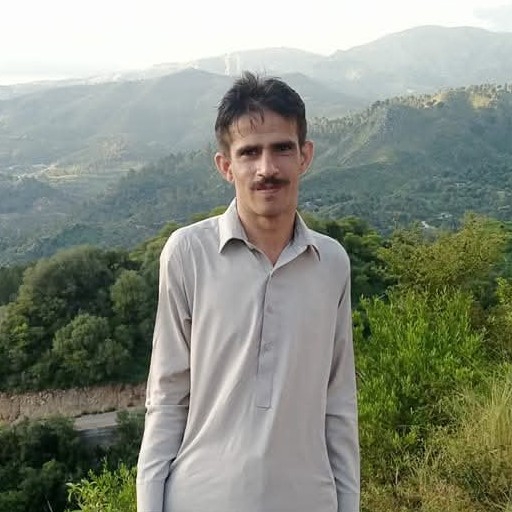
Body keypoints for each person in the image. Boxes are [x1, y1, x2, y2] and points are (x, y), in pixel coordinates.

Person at [136, 71, 360, 512]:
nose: (267, 168)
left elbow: (339, 404)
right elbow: (166, 399)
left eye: (282, 148)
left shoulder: (331, 263)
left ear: (305, 156)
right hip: (199, 499)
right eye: (249, 152)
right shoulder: (188, 255)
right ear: (226, 166)